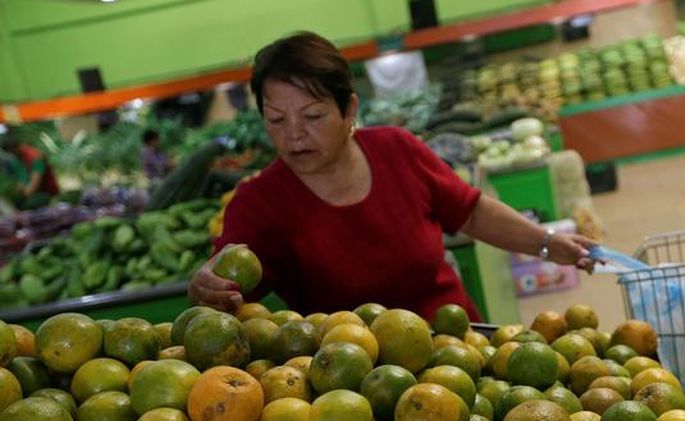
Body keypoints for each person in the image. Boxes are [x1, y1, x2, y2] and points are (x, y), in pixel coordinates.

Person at [188, 32, 594, 322]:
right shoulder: (259, 203)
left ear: (348, 110)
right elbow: (225, 288)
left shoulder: (395, 149)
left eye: (312, 116)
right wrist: (206, 289)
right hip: (355, 391)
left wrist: (546, 243)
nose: (293, 134)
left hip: (458, 345)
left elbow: (470, 212)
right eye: (276, 119)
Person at [0, 130, 60, 210]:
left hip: (46, 195)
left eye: (9, 150)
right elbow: (21, 183)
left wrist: (19, 194)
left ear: (13, 147)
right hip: (30, 196)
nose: (10, 154)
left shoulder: (36, 157)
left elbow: (33, 187)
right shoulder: (17, 159)